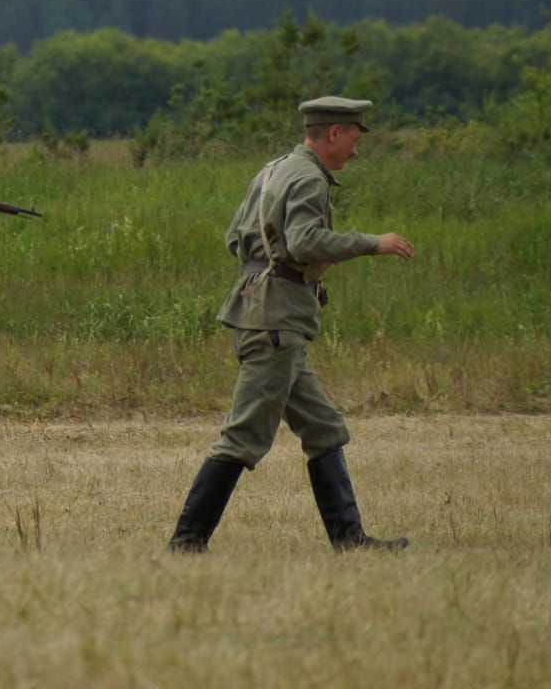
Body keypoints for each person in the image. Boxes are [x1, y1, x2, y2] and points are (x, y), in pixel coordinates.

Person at [167, 96, 414, 554]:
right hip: (275, 322)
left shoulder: (273, 170)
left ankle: (350, 540)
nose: (357, 152)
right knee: (242, 437)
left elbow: (233, 239)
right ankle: (186, 544)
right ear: (334, 134)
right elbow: (304, 241)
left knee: (323, 428)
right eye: (355, 139)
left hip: (264, 314)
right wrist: (371, 243)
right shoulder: (307, 178)